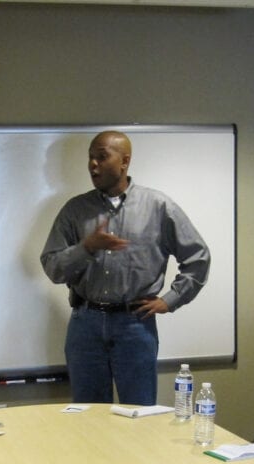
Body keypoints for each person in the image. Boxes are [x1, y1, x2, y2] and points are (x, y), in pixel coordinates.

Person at [40, 130, 210, 405]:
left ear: (124, 161)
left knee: (139, 413)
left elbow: (198, 258)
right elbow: (52, 267)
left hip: (135, 325)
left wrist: (170, 300)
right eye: (90, 158)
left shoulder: (158, 206)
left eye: (102, 157)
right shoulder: (75, 210)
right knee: (87, 416)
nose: (93, 164)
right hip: (86, 324)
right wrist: (87, 248)